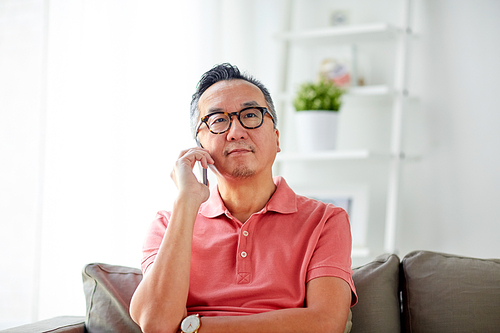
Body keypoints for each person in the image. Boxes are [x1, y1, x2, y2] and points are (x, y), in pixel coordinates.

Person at [129, 63, 357, 333]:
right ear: (200, 146)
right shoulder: (167, 224)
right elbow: (155, 323)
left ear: (276, 138)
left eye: (250, 115)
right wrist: (186, 203)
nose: (236, 131)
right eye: (218, 120)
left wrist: (194, 327)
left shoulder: (326, 220)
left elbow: (325, 323)